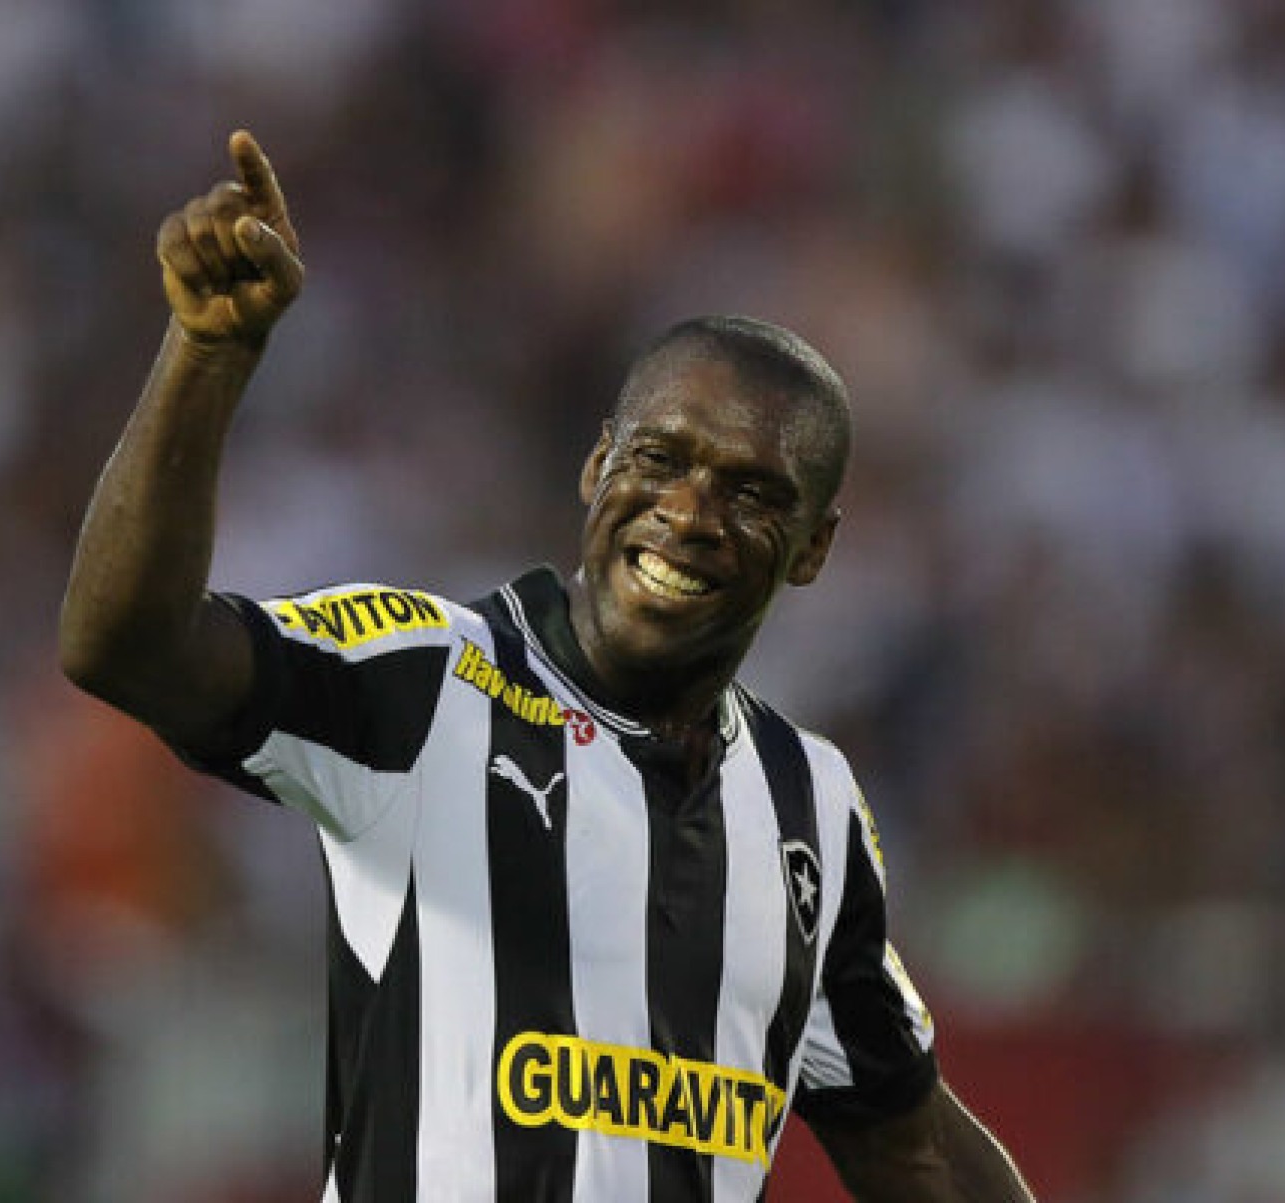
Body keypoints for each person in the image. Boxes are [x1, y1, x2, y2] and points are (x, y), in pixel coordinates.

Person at [59, 129, 1036, 1203]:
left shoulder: (809, 806)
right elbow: (128, 647)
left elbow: (912, 1146)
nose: (688, 515)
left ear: (814, 549)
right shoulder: (427, 678)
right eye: (658, 460)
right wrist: (204, 357)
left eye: (751, 492)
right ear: (595, 464)